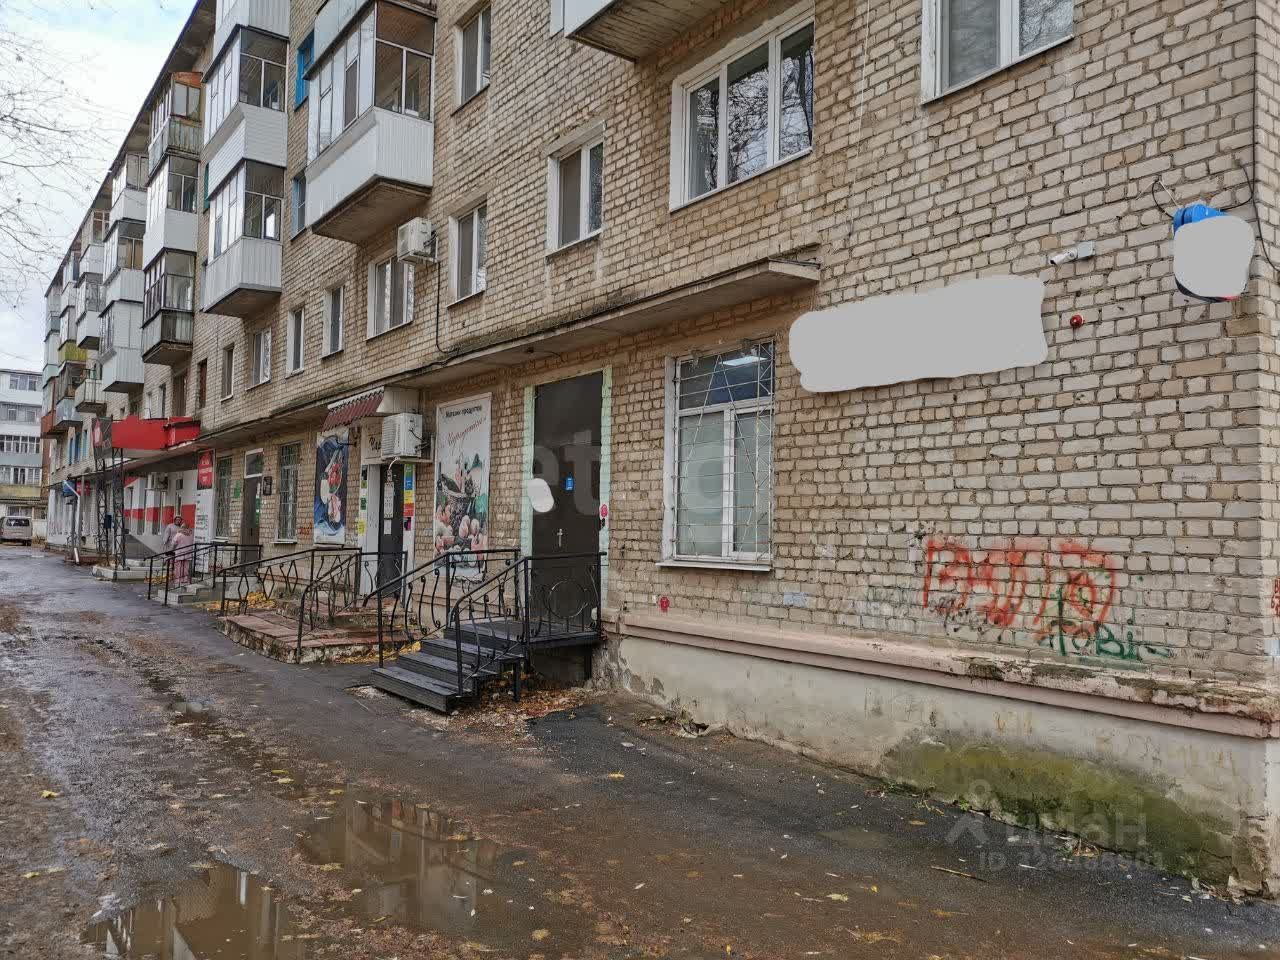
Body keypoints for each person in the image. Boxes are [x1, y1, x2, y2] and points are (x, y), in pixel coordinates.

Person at [172, 519, 195, 585]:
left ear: (182, 527)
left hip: (179, 553)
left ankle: (178, 580)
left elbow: (173, 543)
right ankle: (185, 579)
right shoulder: (190, 535)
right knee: (186, 567)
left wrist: (172, 550)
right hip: (188, 553)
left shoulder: (179, 534)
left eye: (181, 527)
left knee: (178, 567)